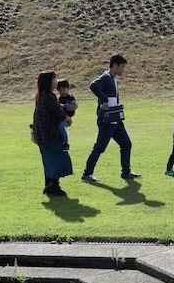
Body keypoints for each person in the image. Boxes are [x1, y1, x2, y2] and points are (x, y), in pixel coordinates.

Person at [81, 54, 140, 183]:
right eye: (122, 67)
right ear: (114, 65)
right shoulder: (106, 77)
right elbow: (93, 86)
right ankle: (87, 174)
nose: (123, 70)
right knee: (100, 147)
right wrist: (104, 100)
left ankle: (126, 172)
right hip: (107, 120)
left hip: (115, 118)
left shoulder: (112, 78)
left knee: (126, 144)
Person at [32, 70, 72, 197]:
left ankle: (48, 185)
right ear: (48, 82)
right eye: (54, 79)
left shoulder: (40, 96)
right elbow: (58, 112)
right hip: (50, 134)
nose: (56, 82)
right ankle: (53, 185)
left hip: (41, 134)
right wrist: (68, 118)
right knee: (59, 158)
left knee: (48, 160)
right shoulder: (49, 96)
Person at [56, 79, 78, 150]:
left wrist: (65, 106)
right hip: (60, 117)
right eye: (60, 90)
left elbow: (74, 106)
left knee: (61, 127)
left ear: (68, 88)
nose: (62, 92)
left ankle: (65, 143)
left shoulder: (70, 98)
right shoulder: (60, 98)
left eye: (64, 89)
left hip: (66, 118)